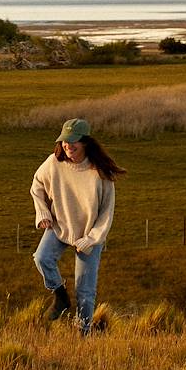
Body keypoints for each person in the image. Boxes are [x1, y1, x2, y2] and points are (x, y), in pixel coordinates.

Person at [30, 118, 126, 334]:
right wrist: (43, 212)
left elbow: (106, 214)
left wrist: (91, 239)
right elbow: (36, 185)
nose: (68, 146)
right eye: (65, 141)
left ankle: (83, 333)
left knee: (85, 291)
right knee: (41, 258)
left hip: (89, 236)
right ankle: (60, 296)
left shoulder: (100, 173)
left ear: (85, 142)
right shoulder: (54, 162)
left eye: (73, 142)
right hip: (60, 225)